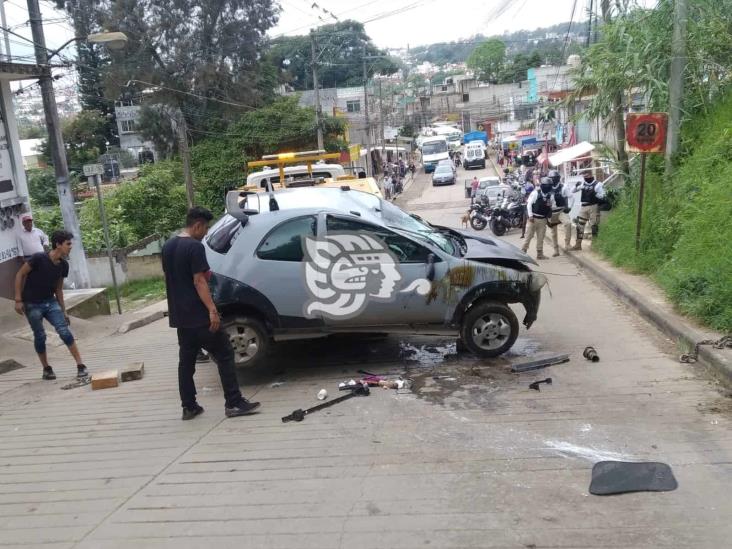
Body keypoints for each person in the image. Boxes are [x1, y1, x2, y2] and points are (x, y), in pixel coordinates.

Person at [162, 206, 260, 420]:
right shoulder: (195, 247)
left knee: (186, 362)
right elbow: (199, 281)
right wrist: (212, 311)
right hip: (199, 316)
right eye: (205, 228)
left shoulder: (168, 246)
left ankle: (189, 406)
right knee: (225, 354)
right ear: (197, 225)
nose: (206, 233)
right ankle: (234, 402)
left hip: (180, 318)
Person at [14, 230, 89, 380]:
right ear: (58, 244)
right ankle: (46, 369)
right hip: (32, 304)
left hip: (50, 302)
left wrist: (64, 311)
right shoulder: (38, 258)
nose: (70, 247)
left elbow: (58, 289)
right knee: (40, 336)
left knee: (64, 332)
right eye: (68, 244)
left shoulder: (63, 266)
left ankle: (81, 365)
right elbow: (20, 274)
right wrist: (18, 299)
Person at [521, 177, 555, 260]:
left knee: (541, 237)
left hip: (543, 219)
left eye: (549, 186)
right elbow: (529, 204)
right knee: (528, 236)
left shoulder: (551, 196)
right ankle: (522, 252)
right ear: (543, 186)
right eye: (547, 185)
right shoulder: (535, 193)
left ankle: (540, 254)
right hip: (533, 219)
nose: (548, 187)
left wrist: (549, 217)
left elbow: (552, 207)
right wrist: (530, 216)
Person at [571, 170, 605, 250]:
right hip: (584, 206)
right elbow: (572, 191)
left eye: (586, 176)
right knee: (579, 226)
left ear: (590, 175)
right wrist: (576, 186)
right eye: (584, 177)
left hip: (593, 206)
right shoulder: (583, 184)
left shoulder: (598, 184)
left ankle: (595, 245)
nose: (585, 178)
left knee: (594, 226)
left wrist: (595, 194)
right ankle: (578, 244)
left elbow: (603, 195)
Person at [546, 169, 574, 256]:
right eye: (550, 178)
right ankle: (556, 250)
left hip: (561, 210)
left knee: (568, 223)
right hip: (552, 212)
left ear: (558, 178)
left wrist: (569, 207)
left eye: (554, 178)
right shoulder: (547, 188)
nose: (552, 180)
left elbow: (571, 197)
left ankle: (567, 244)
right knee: (553, 232)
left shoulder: (563, 187)